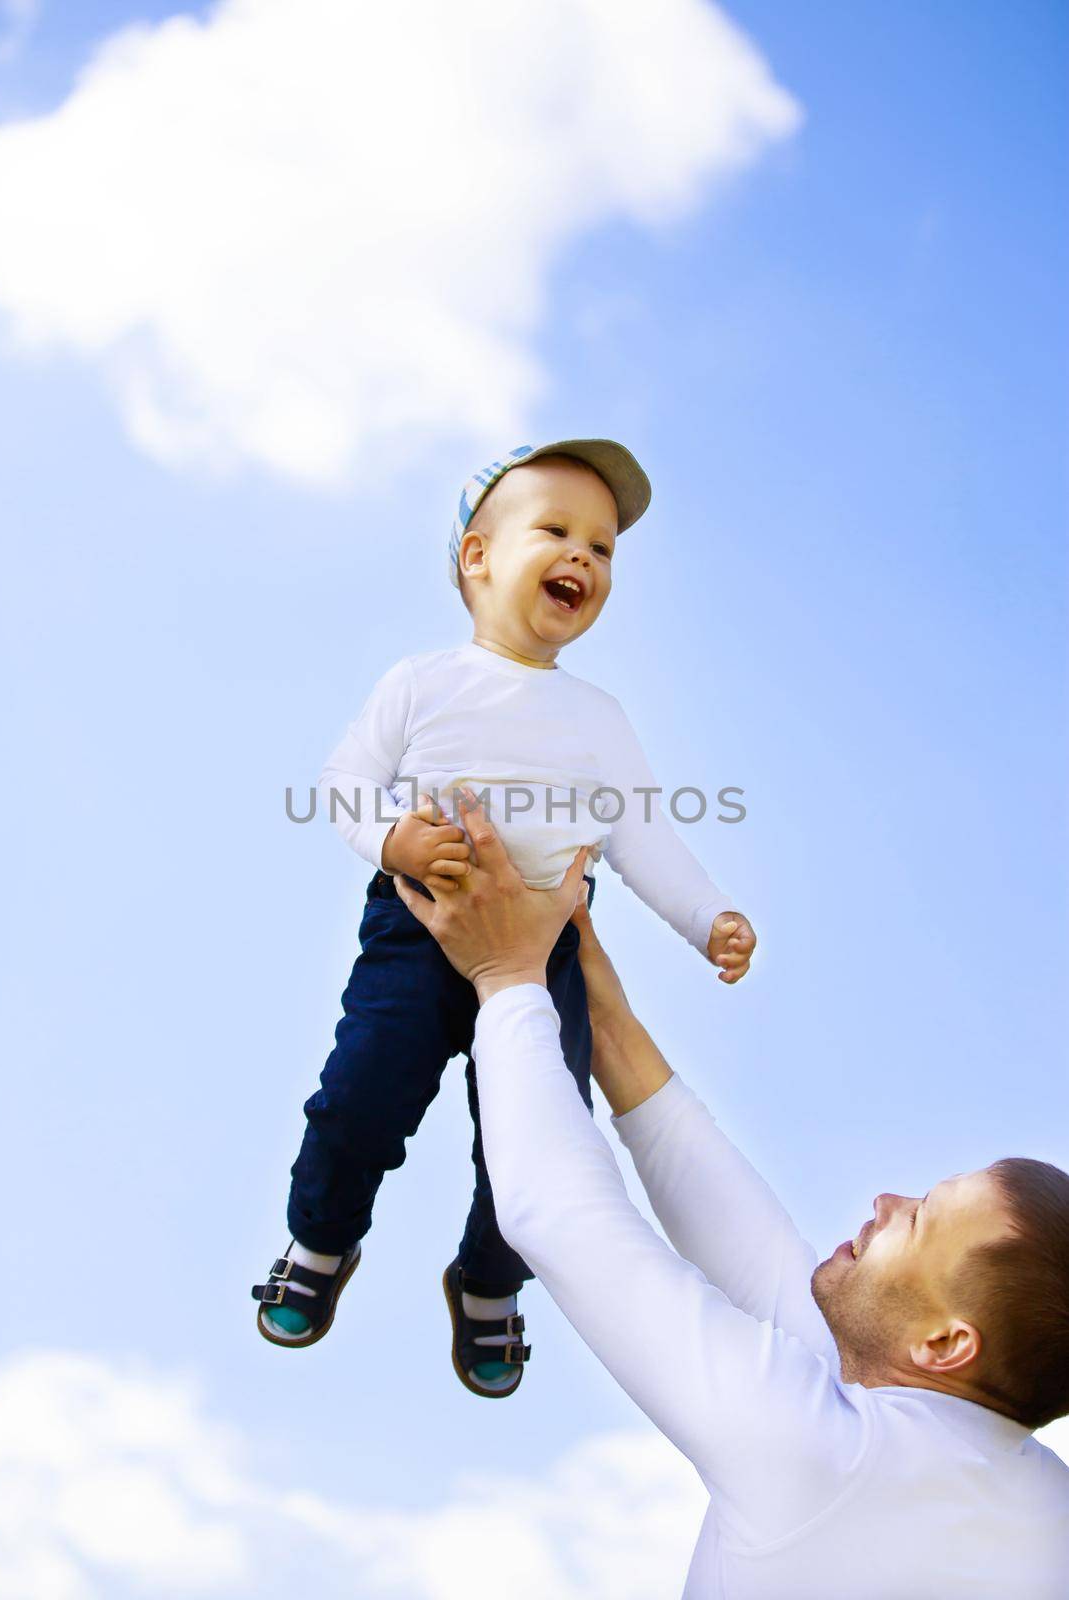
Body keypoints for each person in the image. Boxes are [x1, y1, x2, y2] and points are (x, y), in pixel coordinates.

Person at [393, 791, 1069, 1597]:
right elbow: (751, 1254)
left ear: (945, 1345)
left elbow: (560, 1217)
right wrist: (586, 989)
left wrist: (503, 976)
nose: (886, 1201)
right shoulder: (1023, 1492)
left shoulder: (831, 1456)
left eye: (916, 1221)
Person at [251, 439, 757, 1396]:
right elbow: (344, 782)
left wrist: (707, 917)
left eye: (604, 549)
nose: (585, 558)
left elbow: (642, 831)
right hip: (419, 927)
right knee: (360, 1096)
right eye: (558, 531)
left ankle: (488, 1283)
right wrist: (394, 838)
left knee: (538, 1138)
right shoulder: (421, 682)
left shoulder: (599, 716)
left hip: (548, 950)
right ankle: (319, 1240)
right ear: (476, 558)